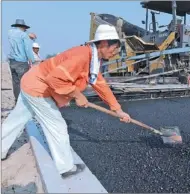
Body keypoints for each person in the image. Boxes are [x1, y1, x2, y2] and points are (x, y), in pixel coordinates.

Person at [2, 24, 131, 178]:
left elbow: (100, 84)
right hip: (38, 87)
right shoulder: (82, 56)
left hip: (30, 81)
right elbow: (54, 78)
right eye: (114, 49)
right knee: (57, 126)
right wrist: (77, 95)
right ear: (103, 44)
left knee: (16, 120)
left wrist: (118, 110)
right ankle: (65, 167)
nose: (115, 53)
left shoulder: (92, 59)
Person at [8, 19, 36, 102]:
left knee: (15, 83)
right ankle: (24, 101)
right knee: (24, 82)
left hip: (12, 61)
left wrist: (27, 34)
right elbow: (27, 49)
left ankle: (17, 100)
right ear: (23, 27)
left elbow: (16, 33)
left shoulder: (10, 33)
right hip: (21, 62)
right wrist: (32, 60)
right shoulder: (24, 35)